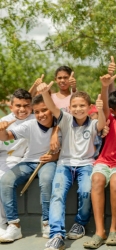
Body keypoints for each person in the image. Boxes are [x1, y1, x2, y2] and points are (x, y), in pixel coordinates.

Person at [37, 82, 106, 250]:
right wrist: (46, 93)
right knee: (57, 195)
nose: (78, 109)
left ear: (89, 107)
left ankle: (80, 223)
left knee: (85, 191)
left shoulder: (93, 123)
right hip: (65, 164)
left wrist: (101, 109)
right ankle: (57, 235)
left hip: (86, 164)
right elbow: (52, 107)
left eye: (82, 105)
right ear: (69, 108)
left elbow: (102, 124)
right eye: (74, 106)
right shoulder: (66, 119)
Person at [83, 74, 116, 248]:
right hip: (105, 160)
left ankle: (114, 229)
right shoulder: (110, 119)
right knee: (97, 180)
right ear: (113, 112)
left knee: (115, 183)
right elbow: (104, 107)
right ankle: (100, 231)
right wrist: (105, 86)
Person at [0, 94, 58, 243]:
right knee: (6, 180)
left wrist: (53, 157)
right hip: (29, 161)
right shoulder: (30, 124)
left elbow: (65, 150)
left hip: (48, 162)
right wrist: (2, 131)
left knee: (46, 181)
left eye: (45, 110)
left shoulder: (61, 124)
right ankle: (14, 226)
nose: (40, 114)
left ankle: (47, 223)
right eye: (37, 112)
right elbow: (7, 137)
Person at [0, 89, 34, 237]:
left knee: (2, 179)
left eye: (26, 105)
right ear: (11, 106)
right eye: (18, 105)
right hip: (4, 159)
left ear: (31, 106)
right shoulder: (3, 121)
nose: (22, 109)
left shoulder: (36, 119)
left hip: (25, 161)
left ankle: (4, 223)